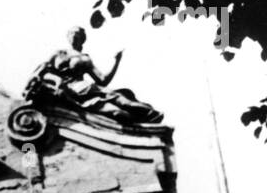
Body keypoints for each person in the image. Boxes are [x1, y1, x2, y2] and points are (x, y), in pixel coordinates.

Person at [23, 26, 163, 125]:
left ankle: (152, 116)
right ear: (68, 36)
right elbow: (42, 72)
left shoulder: (85, 58)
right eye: (71, 33)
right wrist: (56, 80)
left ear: (82, 39)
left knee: (125, 101)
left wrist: (116, 61)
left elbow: (103, 80)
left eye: (77, 34)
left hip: (91, 89)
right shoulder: (59, 54)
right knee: (120, 114)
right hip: (72, 92)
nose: (74, 36)